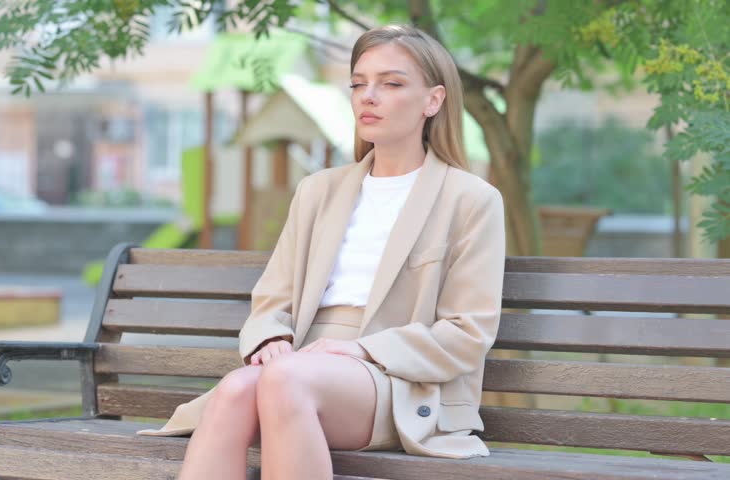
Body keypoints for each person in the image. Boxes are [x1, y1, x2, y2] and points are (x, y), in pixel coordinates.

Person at [137, 23, 506, 480]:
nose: (368, 96)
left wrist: (361, 350)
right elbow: (273, 300)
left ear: (433, 100)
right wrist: (270, 337)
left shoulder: (470, 198)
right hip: (301, 367)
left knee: (283, 380)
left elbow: (467, 333)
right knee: (235, 389)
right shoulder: (318, 191)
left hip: (403, 381)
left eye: (390, 84)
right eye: (358, 84)